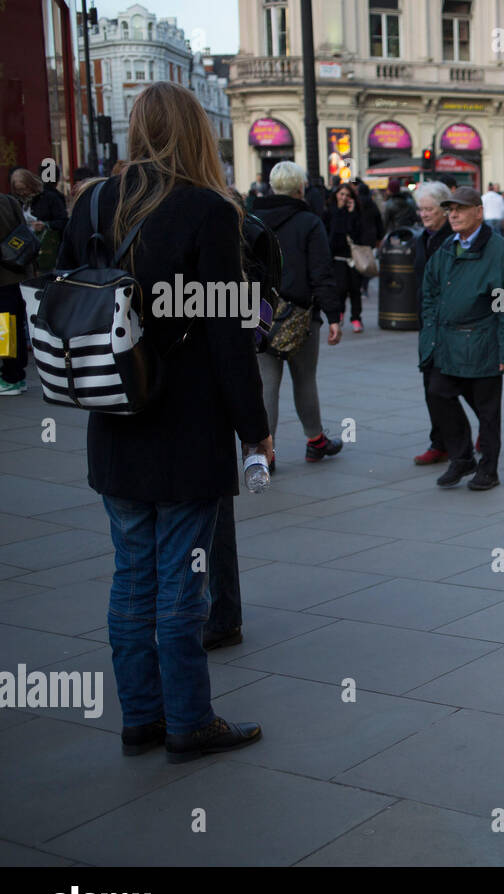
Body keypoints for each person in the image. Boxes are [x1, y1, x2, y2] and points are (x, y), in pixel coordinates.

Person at [54, 81, 267, 762]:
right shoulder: (208, 210)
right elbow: (230, 333)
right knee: (182, 580)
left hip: (114, 417)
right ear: (195, 132)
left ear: (137, 129)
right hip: (186, 424)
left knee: (130, 577)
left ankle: (140, 718)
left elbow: (66, 296)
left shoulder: (92, 201)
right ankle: (189, 721)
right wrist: (253, 427)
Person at [419, 186, 504, 491]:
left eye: (461, 209)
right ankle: (462, 456)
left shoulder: (498, 250)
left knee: (488, 411)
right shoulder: (447, 247)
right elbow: (430, 289)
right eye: (450, 210)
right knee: (438, 394)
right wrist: (431, 330)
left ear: (479, 211)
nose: (453, 215)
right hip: (447, 343)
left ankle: (488, 469)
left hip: (482, 342)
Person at [252, 160, 346, 469]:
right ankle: (315, 441)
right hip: (300, 314)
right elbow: (322, 270)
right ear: (300, 188)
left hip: (260, 312)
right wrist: (334, 315)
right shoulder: (308, 221)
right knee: (305, 378)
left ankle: (266, 452)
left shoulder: (251, 219)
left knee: (267, 383)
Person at [411, 180, 456, 466]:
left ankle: (482, 433)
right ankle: (439, 442)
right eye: (420, 209)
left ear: (443, 209)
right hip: (429, 325)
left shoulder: (455, 239)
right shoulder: (422, 239)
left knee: (466, 387)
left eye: (429, 209)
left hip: (452, 324)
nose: (424, 214)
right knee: (432, 384)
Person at [324, 182, 376, 333]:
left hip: (353, 257)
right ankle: (340, 313)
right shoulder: (330, 212)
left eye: (347, 195)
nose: (344, 197)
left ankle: (356, 318)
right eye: (342, 194)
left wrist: (352, 213)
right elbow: (331, 235)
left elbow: (358, 234)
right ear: (336, 195)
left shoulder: (356, 213)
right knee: (340, 289)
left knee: (354, 289)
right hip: (337, 257)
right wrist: (340, 212)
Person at [0, 187, 35, 395]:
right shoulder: (8, 200)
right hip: (18, 272)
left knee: (5, 328)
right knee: (13, 326)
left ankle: (11, 377)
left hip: (3, 277)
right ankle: (15, 375)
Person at [11, 166, 69, 271]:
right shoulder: (14, 202)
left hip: (47, 250)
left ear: (31, 184)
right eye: (18, 190)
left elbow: (63, 221)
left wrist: (46, 225)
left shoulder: (49, 198)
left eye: (24, 189)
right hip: (24, 252)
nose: (22, 193)